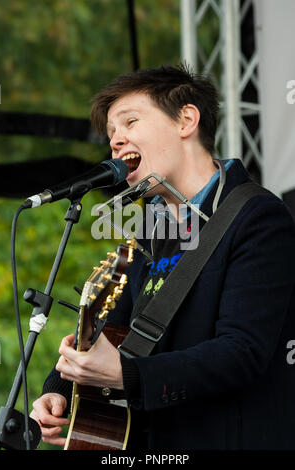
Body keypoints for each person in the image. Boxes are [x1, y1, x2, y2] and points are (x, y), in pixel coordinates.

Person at [31, 64, 295, 450]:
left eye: (129, 122)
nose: (116, 141)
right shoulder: (151, 228)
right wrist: (59, 390)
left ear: (186, 119)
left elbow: (241, 353)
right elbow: (113, 331)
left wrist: (129, 376)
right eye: (111, 134)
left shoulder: (257, 217)